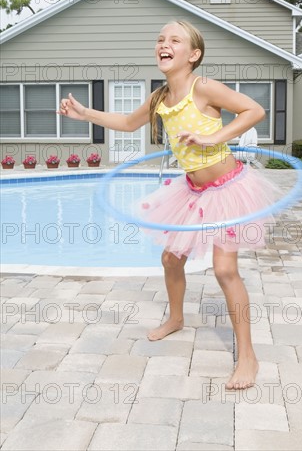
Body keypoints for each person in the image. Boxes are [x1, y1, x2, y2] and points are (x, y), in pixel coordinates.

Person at [59, 20, 277, 390]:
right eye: (160, 39)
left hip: (229, 188)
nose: (164, 43)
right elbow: (128, 122)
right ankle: (176, 318)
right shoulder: (160, 98)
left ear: (193, 55)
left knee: (225, 271)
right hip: (192, 190)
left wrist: (214, 137)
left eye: (175, 39)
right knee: (170, 258)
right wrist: (87, 114)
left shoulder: (203, 88)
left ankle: (249, 357)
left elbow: (254, 111)